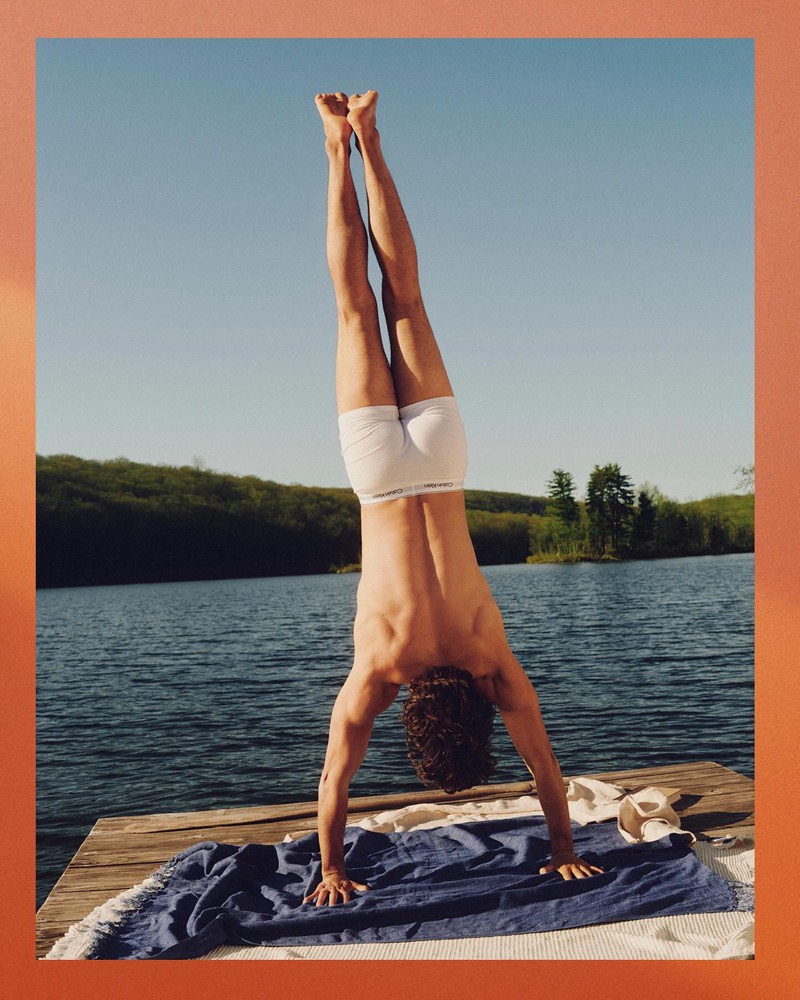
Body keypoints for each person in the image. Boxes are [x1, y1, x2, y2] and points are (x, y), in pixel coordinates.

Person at [305, 91, 603, 907]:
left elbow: (548, 772)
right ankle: (339, 148)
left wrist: (564, 846)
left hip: (441, 465)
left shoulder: (491, 664)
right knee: (357, 308)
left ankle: (369, 136)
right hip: (379, 476)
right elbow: (335, 778)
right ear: (417, 718)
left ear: (473, 710)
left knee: (405, 300)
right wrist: (329, 868)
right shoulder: (381, 669)